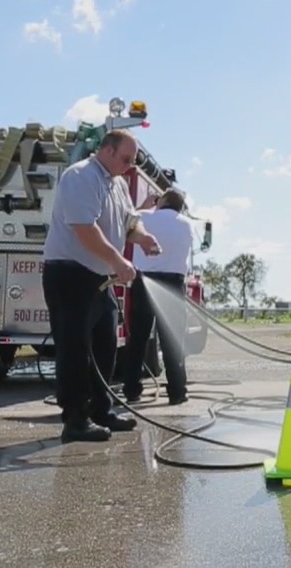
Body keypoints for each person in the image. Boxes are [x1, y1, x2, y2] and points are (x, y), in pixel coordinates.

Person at [42, 129, 161, 443]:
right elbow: (84, 228)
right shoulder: (80, 177)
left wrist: (143, 238)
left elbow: (129, 223)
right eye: (125, 159)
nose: (129, 166)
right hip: (70, 275)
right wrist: (119, 261)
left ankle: (100, 410)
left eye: (132, 160)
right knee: (75, 350)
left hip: (97, 277)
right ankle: (75, 420)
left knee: (105, 347)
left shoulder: (119, 184)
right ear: (107, 151)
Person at [123, 187, 194, 405]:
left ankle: (132, 389)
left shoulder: (145, 216)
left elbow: (125, 220)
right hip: (173, 284)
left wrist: (145, 206)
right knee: (173, 340)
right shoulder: (186, 224)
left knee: (138, 339)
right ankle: (177, 391)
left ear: (161, 202)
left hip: (144, 282)